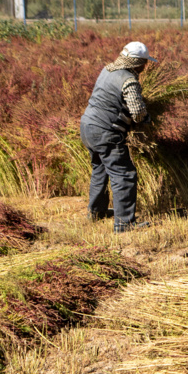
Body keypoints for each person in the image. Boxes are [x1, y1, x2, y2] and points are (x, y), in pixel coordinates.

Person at [80, 41, 156, 232]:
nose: (146, 67)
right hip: (105, 132)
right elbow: (137, 111)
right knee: (124, 174)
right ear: (137, 63)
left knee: (100, 170)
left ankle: (96, 213)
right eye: (145, 63)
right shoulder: (129, 80)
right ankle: (124, 224)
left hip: (87, 127)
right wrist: (147, 119)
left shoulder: (107, 70)